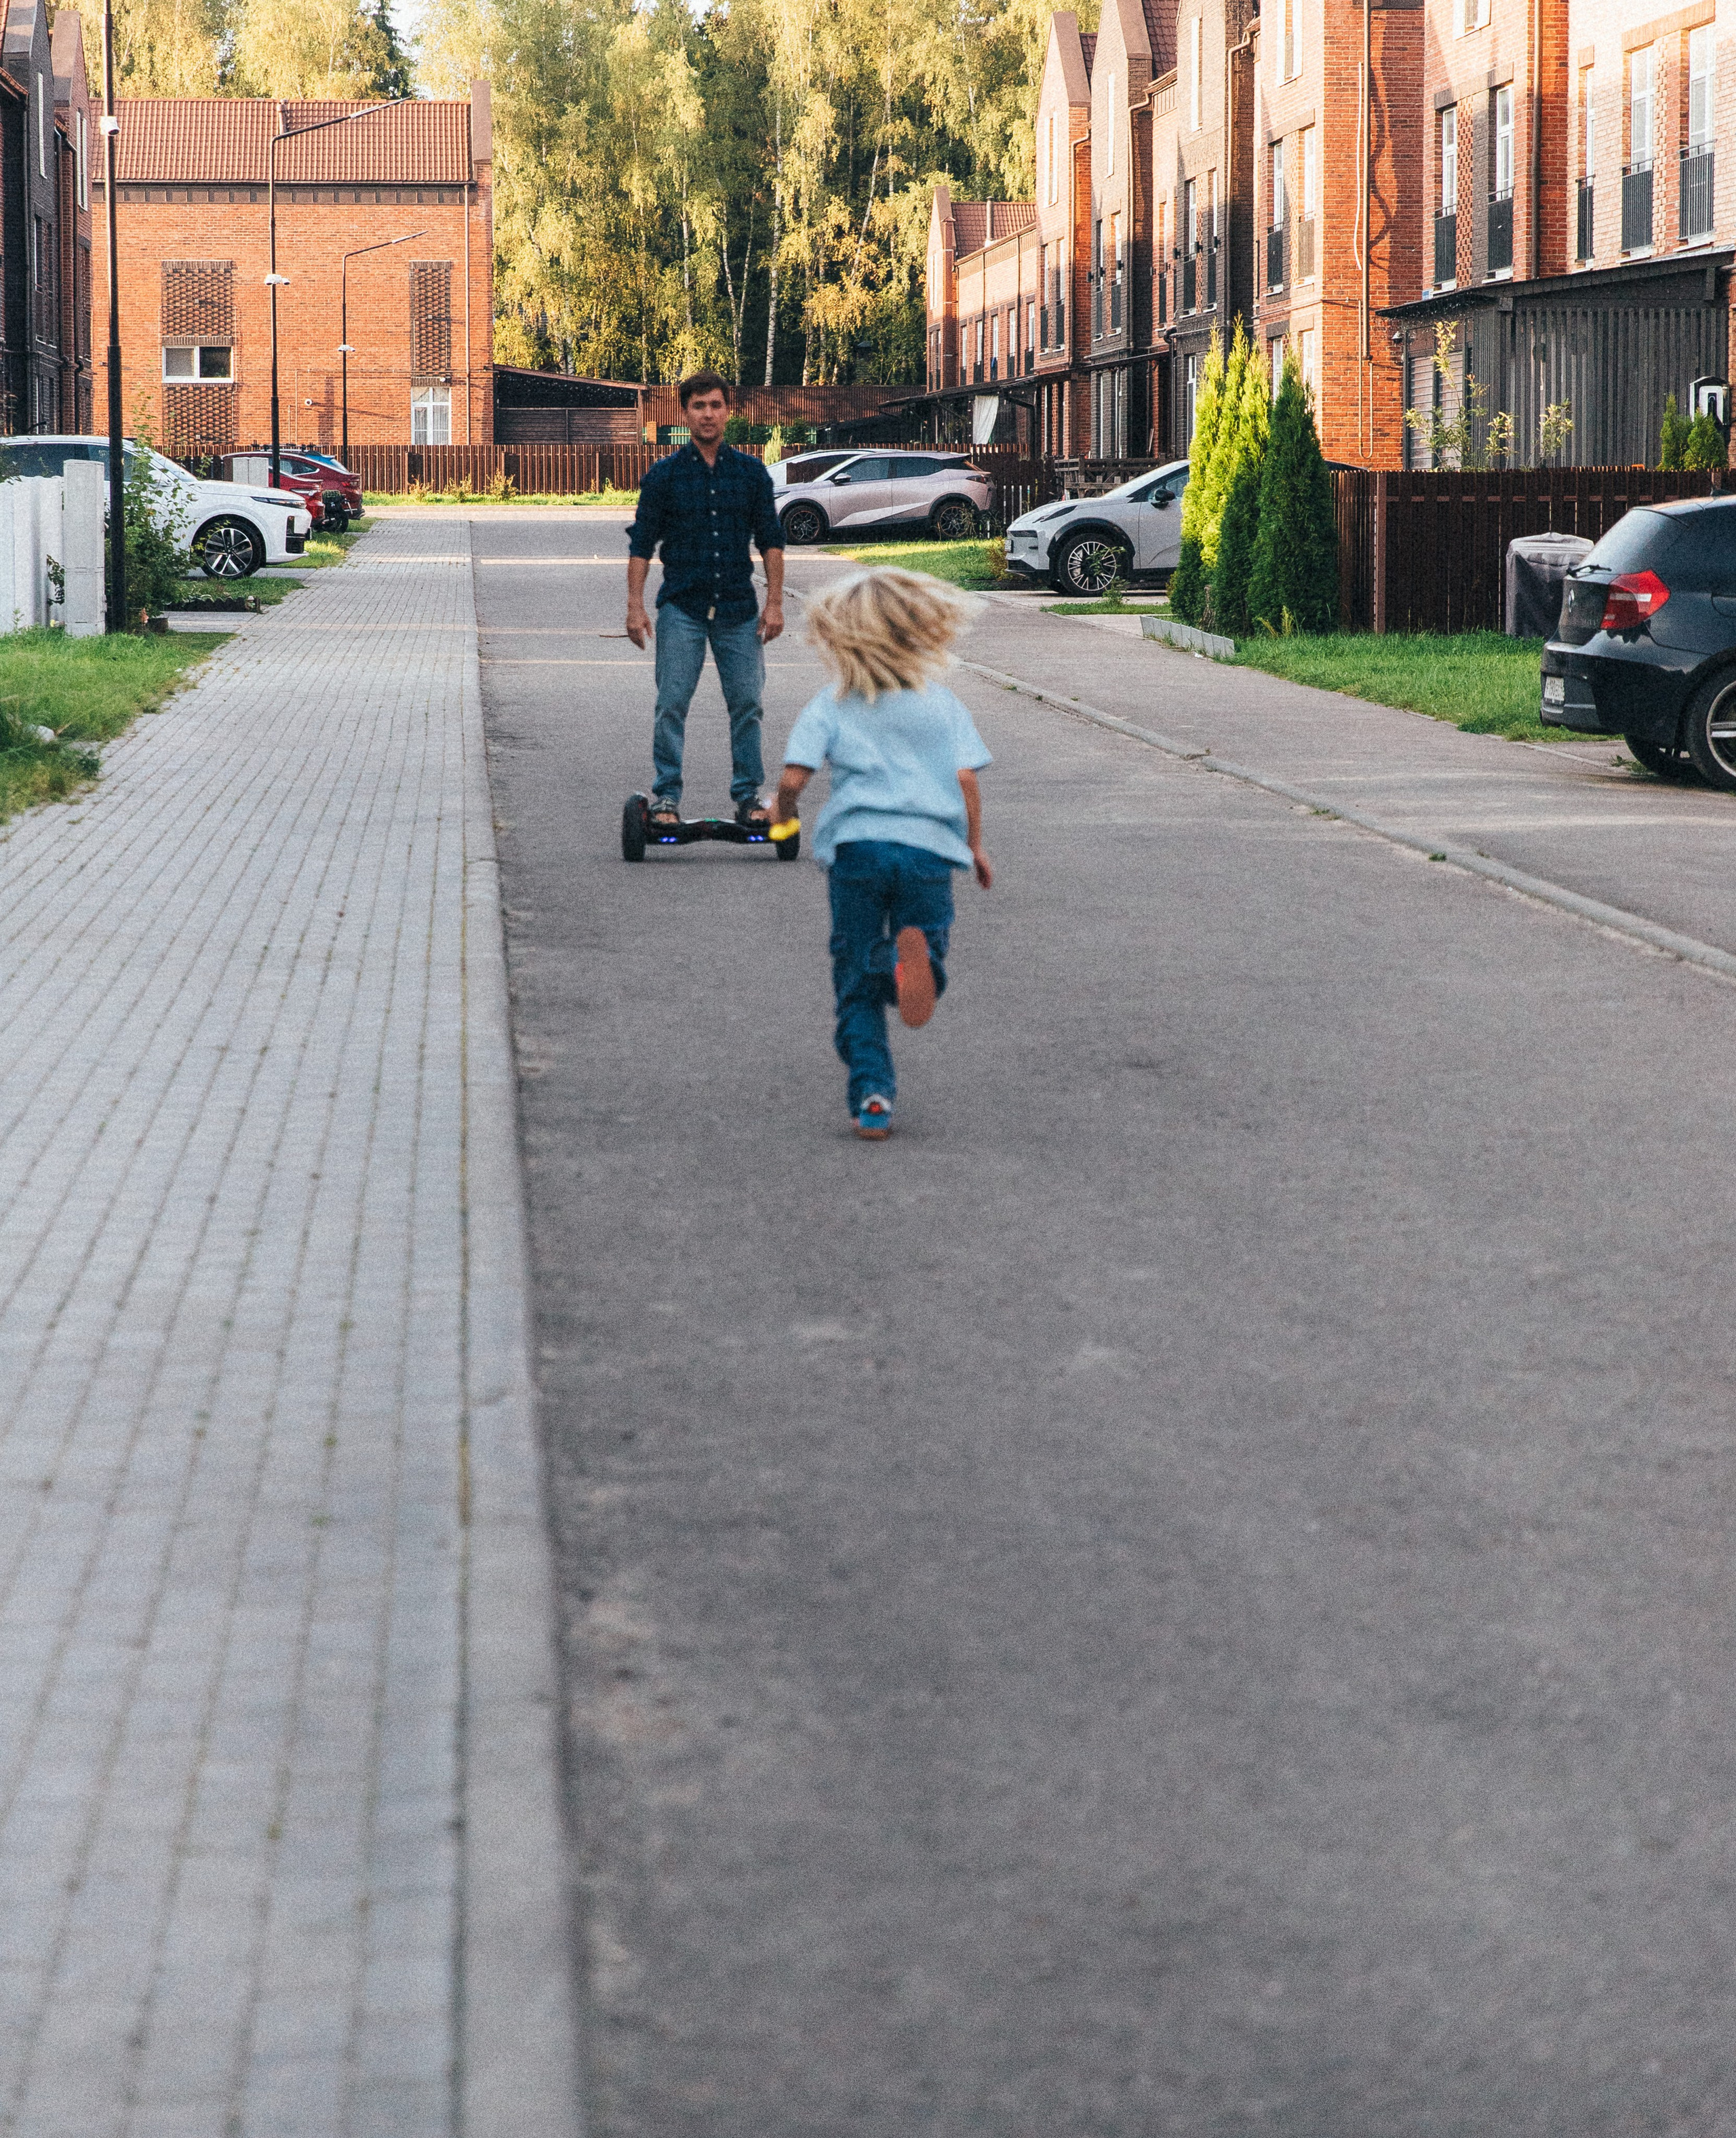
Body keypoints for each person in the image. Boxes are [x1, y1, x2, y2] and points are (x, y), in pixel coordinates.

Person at [772, 568, 992, 1142]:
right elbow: (965, 779)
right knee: (925, 947)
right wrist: (974, 846)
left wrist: (782, 813)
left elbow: (794, 778)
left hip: (859, 851)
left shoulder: (833, 704)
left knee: (854, 983)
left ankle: (873, 1096)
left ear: (840, 636)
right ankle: (910, 964)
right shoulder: (942, 704)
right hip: (928, 853)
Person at [626, 371, 785, 828]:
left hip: (738, 609)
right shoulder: (664, 476)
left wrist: (775, 603)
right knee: (672, 703)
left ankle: (748, 797)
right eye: (699, 406)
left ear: (727, 411)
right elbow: (641, 545)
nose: (708, 414)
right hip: (683, 608)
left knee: (747, 704)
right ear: (685, 413)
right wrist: (635, 605)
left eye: (715, 405)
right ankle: (666, 798)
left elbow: (771, 542)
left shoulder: (750, 474)